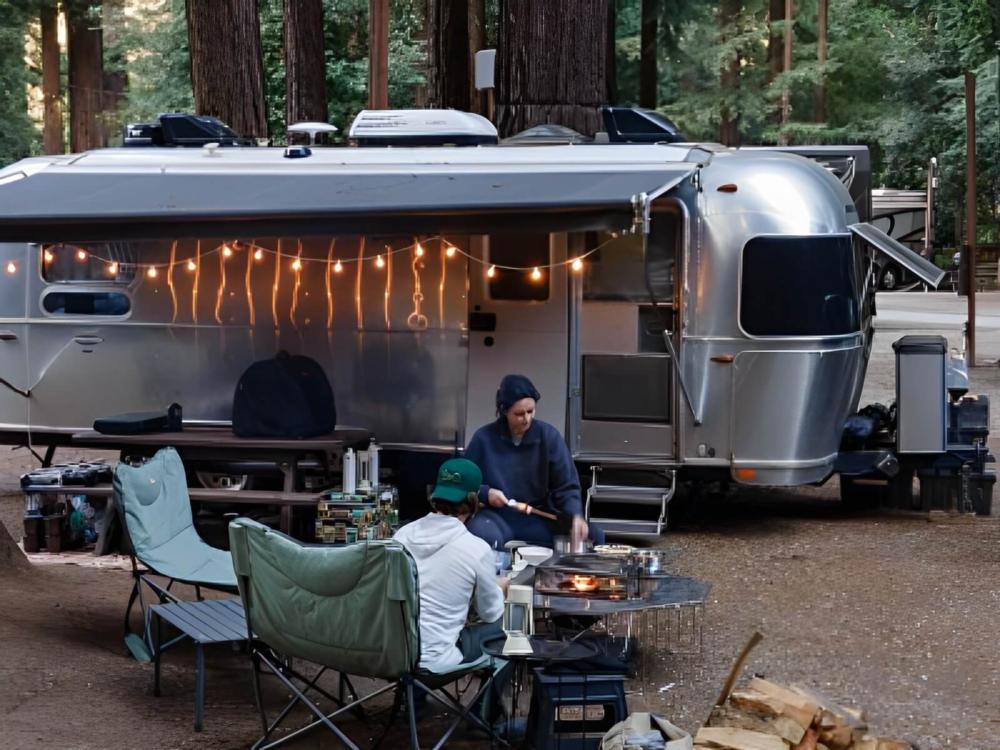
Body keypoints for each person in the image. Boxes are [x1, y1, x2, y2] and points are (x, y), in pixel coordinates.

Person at [465, 374, 604, 549]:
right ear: (504, 411)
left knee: (593, 535)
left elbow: (566, 486)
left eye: (530, 411)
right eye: (519, 414)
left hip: (539, 516)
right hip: (497, 517)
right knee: (481, 533)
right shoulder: (483, 439)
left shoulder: (549, 437)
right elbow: (465, 482)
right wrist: (486, 493)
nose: (527, 419)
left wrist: (575, 515)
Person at [393, 457, 507, 669]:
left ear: (435, 496)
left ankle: (416, 696)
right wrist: (500, 588)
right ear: (474, 501)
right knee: (508, 626)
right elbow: (490, 612)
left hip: (393, 656)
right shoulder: (476, 549)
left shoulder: (401, 536)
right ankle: (487, 702)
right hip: (438, 662)